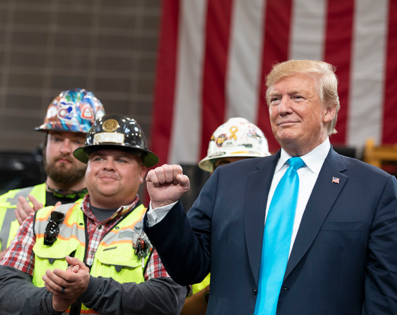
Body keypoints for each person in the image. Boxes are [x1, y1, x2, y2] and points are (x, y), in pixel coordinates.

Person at [143, 60, 397, 314]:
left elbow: (385, 293)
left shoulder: (375, 188)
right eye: (275, 99)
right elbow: (190, 268)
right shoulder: (226, 180)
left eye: (296, 97)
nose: (282, 108)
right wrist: (165, 208)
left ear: (328, 110)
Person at [0, 113, 187, 315]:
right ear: (87, 166)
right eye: (98, 158)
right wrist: (54, 301)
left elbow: (167, 299)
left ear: (142, 172)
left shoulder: (159, 230)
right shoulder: (40, 220)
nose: (108, 166)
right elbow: (2, 292)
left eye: (121, 159)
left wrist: (90, 289)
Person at [0, 88, 105, 315]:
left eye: (77, 140)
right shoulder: (7, 205)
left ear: (95, 151)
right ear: (45, 143)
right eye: (56, 138)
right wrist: (24, 242)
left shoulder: (107, 213)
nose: (64, 149)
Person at [181, 117, 270, 315]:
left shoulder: (286, 225)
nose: (235, 175)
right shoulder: (192, 227)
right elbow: (175, 310)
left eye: (247, 165)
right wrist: (213, 294)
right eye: (225, 167)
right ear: (213, 175)